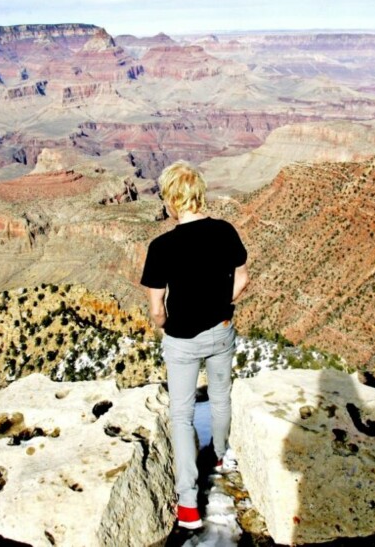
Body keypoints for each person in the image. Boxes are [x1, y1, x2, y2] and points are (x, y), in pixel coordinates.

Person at [140, 161, 249, 530]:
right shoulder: (224, 231)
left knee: (182, 415)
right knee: (220, 397)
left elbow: (156, 307)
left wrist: (166, 324)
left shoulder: (162, 246)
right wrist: (222, 305)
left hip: (182, 339)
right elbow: (243, 278)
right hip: (220, 330)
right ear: (199, 194)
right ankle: (221, 457)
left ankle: (188, 504)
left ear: (172, 200)